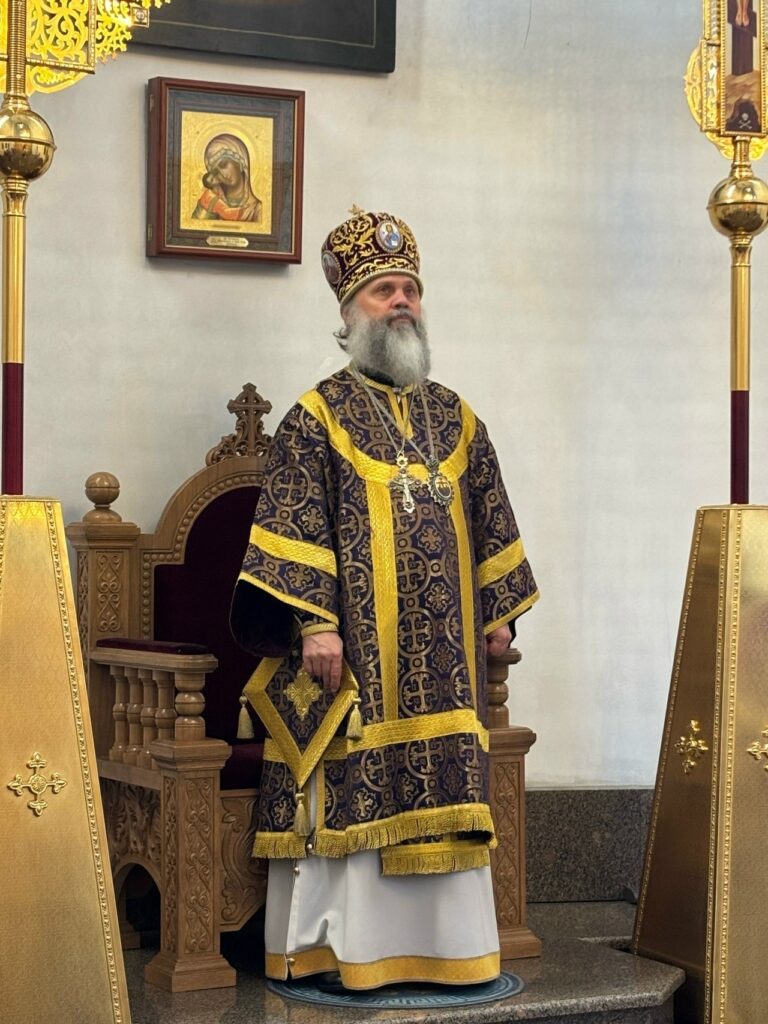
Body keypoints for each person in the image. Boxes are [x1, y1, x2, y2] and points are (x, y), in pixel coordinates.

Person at [231, 208, 539, 989]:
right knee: (353, 780)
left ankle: (452, 952)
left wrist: (499, 614)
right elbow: (295, 522)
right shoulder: (316, 418)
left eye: (410, 289)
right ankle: (349, 953)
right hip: (354, 660)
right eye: (383, 291)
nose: (401, 301)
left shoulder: (456, 418)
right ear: (349, 311)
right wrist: (315, 624)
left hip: (446, 670)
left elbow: (492, 518)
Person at [192, 133, 262, 223]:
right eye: (216, 173)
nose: (223, 175)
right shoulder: (210, 201)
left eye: (224, 164)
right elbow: (196, 227)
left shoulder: (257, 209)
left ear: (240, 160)